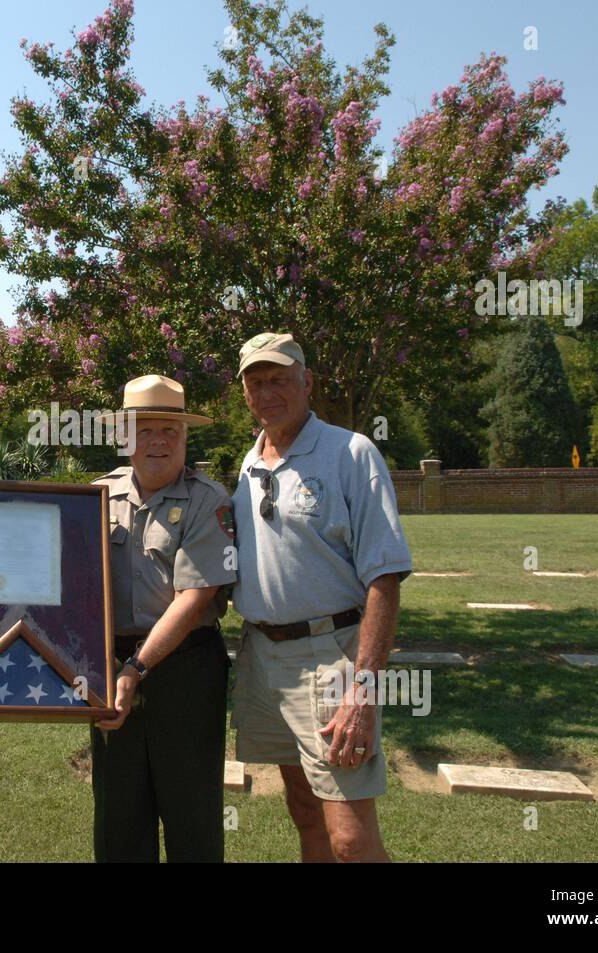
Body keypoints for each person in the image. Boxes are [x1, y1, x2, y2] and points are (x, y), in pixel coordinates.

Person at [229, 332, 412, 863]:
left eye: (279, 379)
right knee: (305, 811)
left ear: (306, 381)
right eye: (256, 383)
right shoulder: (250, 464)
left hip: (331, 659)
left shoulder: (351, 452)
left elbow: (385, 577)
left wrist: (363, 687)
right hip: (263, 656)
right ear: (245, 394)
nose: (268, 393)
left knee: (350, 839)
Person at [90, 374, 238, 862]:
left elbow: (194, 597)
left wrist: (137, 668)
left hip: (185, 670)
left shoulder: (208, 500)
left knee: (191, 813)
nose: (158, 441)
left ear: (185, 437)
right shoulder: (96, 496)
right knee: (118, 815)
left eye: (170, 430)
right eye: (145, 429)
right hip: (110, 668)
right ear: (124, 437)